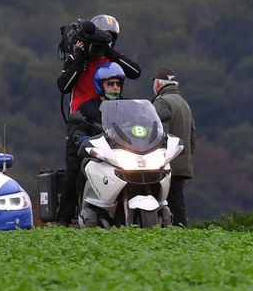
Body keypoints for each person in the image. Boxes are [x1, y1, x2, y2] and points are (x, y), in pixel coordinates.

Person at [53, 62, 126, 227]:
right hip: (98, 156)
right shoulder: (87, 108)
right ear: (100, 86)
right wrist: (80, 137)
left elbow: (140, 124)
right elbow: (76, 127)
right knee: (73, 175)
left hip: (122, 155)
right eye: (110, 84)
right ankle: (63, 220)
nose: (115, 87)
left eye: (117, 84)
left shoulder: (127, 107)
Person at [57, 14, 141, 112]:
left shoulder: (111, 59)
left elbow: (135, 72)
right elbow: (64, 87)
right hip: (81, 119)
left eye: (110, 38)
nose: (105, 41)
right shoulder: (76, 58)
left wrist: (107, 50)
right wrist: (80, 58)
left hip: (109, 118)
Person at [150, 66, 196, 227]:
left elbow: (158, 133)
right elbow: (192, 136)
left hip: (166, 161)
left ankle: (165, 230)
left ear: (158, 84)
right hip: (181, 160)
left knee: (159, 200)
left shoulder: (162, 101)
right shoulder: (184, 103)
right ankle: (180, 230)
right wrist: (187, 162)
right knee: (177, 201)